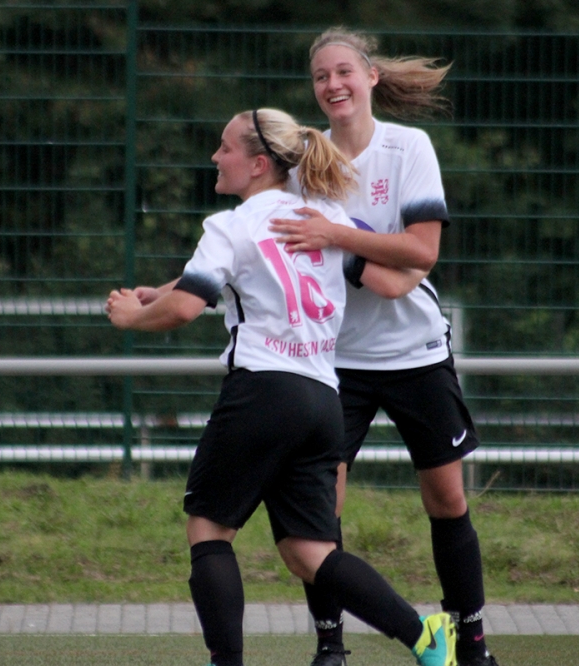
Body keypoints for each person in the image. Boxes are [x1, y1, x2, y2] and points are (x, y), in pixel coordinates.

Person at [107, 108, 458, 666]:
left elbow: (187, 308)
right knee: (308, 552)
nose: (216, 157)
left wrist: (132, 316)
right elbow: (394, 277)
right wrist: (164, 291)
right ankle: (426, 638)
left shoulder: (229, 226)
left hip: (261, 393)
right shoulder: (322, 220)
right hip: (322, 401)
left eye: (225, 148)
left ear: (258, 164)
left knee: (209, 530)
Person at [268, 28, 500, 666]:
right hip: (333, 361)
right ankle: (330, 645)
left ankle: (472, 644)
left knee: (446, 498)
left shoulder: (408, 147)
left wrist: (337, 238)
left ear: (370, 77)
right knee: (322, 508)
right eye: (321, 76)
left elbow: (421, 252)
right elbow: (271, 246)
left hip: (415, 353)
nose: (333, 84)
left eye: (344, 71)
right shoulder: (303, 162)